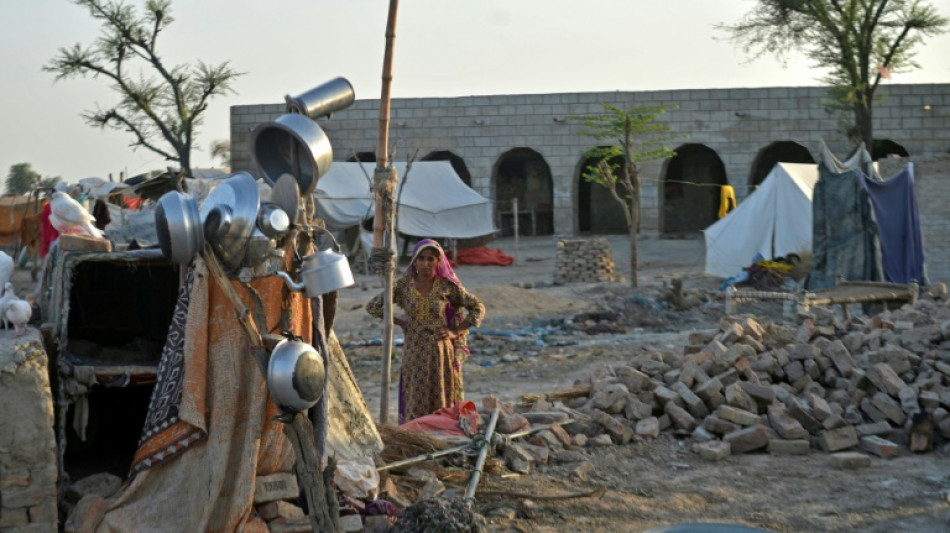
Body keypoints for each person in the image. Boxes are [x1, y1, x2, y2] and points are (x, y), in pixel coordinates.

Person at [366, 239, 485, 424]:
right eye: (421, 258)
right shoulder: (404, 286)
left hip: (440, 353)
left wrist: (455, 332)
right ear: (414, 260)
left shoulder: (446, 286)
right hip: (414, 351)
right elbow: (373, 306)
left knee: (440, 397)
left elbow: (477, 307)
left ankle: (439, 435)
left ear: (439, 261)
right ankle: (417, 435)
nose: (426, 263)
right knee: (415, 396)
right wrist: (400, 322)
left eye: (431, 259)